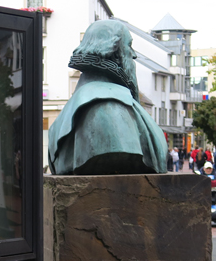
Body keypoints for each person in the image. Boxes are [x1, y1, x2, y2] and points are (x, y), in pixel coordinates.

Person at [46, 20, 168, 175]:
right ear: (115, 53)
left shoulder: (81, 103)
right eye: (129, 46)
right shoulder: (108, 108)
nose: (134, 55)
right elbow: (118, 151)